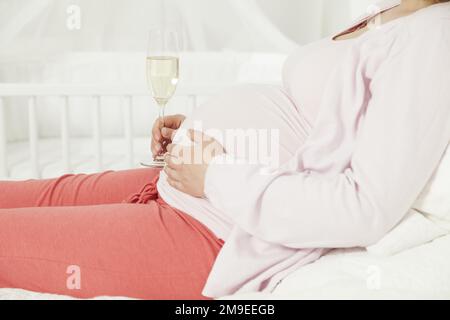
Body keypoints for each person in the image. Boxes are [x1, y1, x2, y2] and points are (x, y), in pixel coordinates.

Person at [0, 0, 449, 299]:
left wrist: (214, 174)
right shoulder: (394, 12)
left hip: (216, 230)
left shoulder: (436, 35)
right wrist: (198, 131)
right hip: (188, 188)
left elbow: (364, 208)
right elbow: (322, 125)